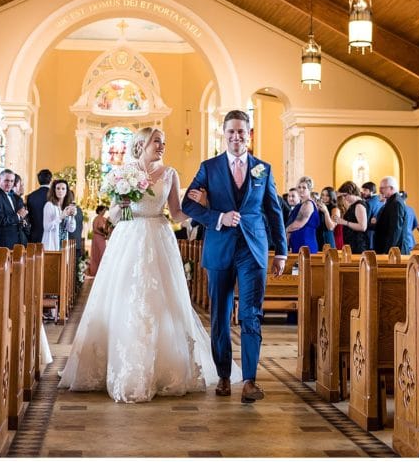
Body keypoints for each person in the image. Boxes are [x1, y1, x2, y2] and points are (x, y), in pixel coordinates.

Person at [60, 127, 230, 403]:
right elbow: (115, 215)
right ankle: (121, 365)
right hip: (128, 236)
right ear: (141, 144)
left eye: (164, 142)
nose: (161, 146)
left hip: (159, 237)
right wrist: (122, 203)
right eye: (156, 142)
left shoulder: (170, 174)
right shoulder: (124, 172)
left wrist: (203, 204)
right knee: (125, 298)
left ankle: (162, 368)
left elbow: (175, 214)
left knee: (159, 300)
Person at [181, 109, 287, 405]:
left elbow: (274, 212)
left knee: (252, 314)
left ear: (249, 134)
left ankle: (250, 380)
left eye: (241, 131)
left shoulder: (262, 169)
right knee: (220, 316)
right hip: (220, 246)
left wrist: (281, 251)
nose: (236, 136)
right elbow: (188, 205)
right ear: (223, 134)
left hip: (253, 248)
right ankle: (225, 375)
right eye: (231, 132)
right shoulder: (209, 167)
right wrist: (218, 217)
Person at [0, 170, 28, 249]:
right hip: (1, 242)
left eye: (12, 181)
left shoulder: (13, 196)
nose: (9, 184)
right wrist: (18, 216)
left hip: (14, 241)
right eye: (6, 180)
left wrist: (22, 220)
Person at [373, 177, 409, 253]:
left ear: (391, 188)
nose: (380, 191)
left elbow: (395, 229)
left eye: (383, 188)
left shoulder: (396, 203)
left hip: (395, 251)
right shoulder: (391, 202)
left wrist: (388, 251)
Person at [285, 177, 320, 254]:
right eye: (299, 187)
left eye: (304, 188)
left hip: (305, 243)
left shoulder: (308, 204)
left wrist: (285, 230)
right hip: (298, 243)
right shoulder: (301, 204)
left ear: (310, 189)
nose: (301, 190)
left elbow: (299, 223)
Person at [42, 179, 76, 253]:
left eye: (63, 188)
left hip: (63, 245)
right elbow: (47, 227)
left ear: (67, 191)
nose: (60, 191)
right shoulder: (49, 205)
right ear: (54, 190)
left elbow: (71, 229)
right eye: (58, 188)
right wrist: (61, 217)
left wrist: (72, 216)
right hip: (52, 244)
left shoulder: (66, 207)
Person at [337, 182, 368, 252]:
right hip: (351, 242)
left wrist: (344, 222)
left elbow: (363, 227)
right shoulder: (353, 205)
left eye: (345, 195)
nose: (344, 198)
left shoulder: (359, 205)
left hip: (357, 243)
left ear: (352, 192)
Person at [25, 169, 53, 245]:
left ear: (38, 180)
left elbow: (28, 216)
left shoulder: (31, 196)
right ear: (51, 179)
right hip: (50, 234)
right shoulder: (54, 195)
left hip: (35, 233)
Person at [87, 204, 110, 277]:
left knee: (102, 253)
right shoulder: (96, 218)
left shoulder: (104, 218)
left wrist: (106, 233)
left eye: (105, 211)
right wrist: (103, 234)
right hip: (97, 238)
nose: (104, 212)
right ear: (100, 211)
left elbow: (107, 227)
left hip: (102, 238)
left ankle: (102, 271)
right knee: (98, 253)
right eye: (103, 210)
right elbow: (95, 229)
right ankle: (95, 271)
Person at [361, 181, 382, 250]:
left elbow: (365, 220)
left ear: (372, 191)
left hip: (370, 234)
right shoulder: (381, 201)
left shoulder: (369, 203)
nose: (363, 192)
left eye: (365, 190)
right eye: (363, 190)